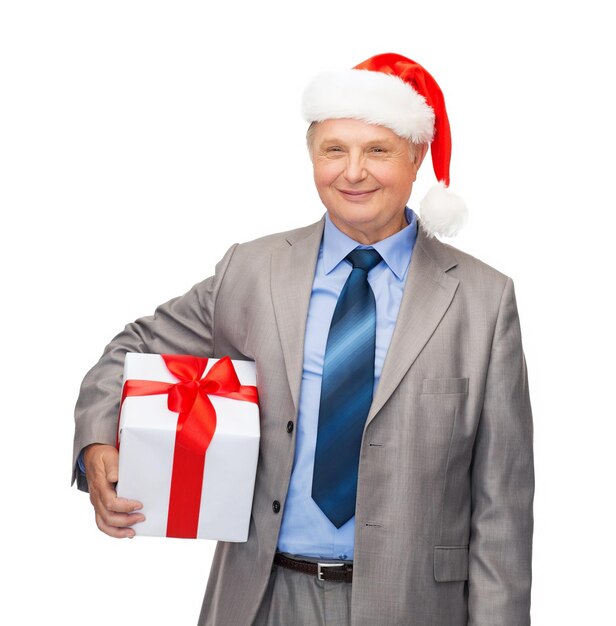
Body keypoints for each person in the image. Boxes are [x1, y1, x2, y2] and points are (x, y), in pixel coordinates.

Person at [73, 53, 534, 625]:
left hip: (412, 607)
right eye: (334, 150)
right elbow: (129, 351)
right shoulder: (253, 270)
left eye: (378, 151)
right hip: (262, 597)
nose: (353, 172)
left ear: (417, 157)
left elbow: (502, 514)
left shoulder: (483, 301)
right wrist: (97, 442)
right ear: (312, 155)